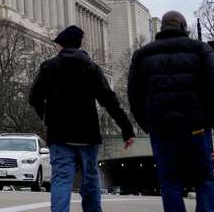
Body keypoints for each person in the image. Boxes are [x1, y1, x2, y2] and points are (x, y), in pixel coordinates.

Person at [30, 25, 135, 212]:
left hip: (59, 133)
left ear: (62, 46)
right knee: (91, 179)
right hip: (87, 134)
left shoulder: (49, 67)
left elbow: (34, 97)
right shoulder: (91, 67)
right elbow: (109, 100)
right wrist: (126, 128)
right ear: (79, 45)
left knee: (61, 179)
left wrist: (47, 116)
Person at [128, 11, 214, 212]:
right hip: (196, 127)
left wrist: (146, 123)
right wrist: (212, 119)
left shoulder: (142, 55)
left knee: (170, 181)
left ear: (162, 28)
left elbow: (134, 95)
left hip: (162, 129)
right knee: (205, 178)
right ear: (183, 27)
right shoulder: (200, 50)